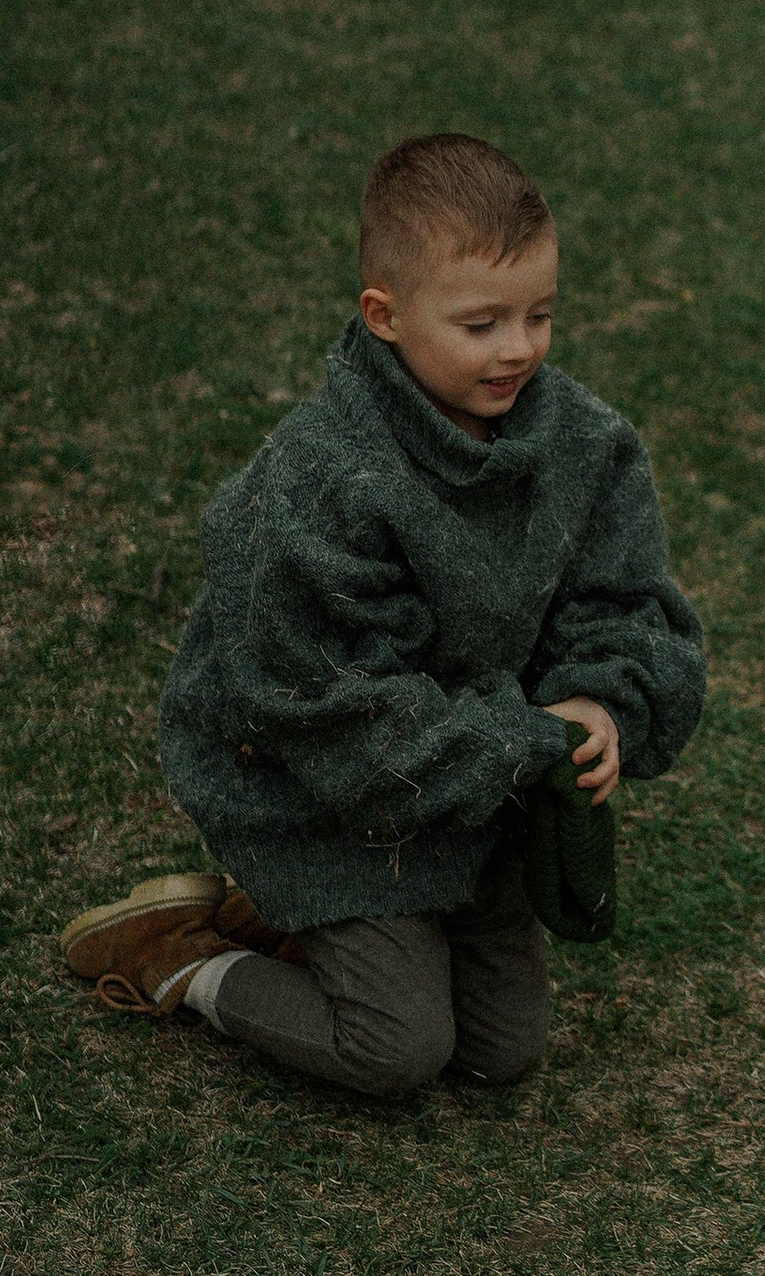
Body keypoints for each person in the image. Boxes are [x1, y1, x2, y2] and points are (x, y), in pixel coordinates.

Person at [59, 132, 705, 1098]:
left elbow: (625, 601)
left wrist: (599, 700)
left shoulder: (585, 442)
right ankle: (185, 958)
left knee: (500, 1054)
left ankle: (292, 924)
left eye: (540, 315)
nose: (520, 348)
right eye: (481, 323)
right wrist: (523, 740)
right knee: (395, 1049)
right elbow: (332, 708)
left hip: (478, 784)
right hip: (324, 790)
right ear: (385, 315)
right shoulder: (321, 478)